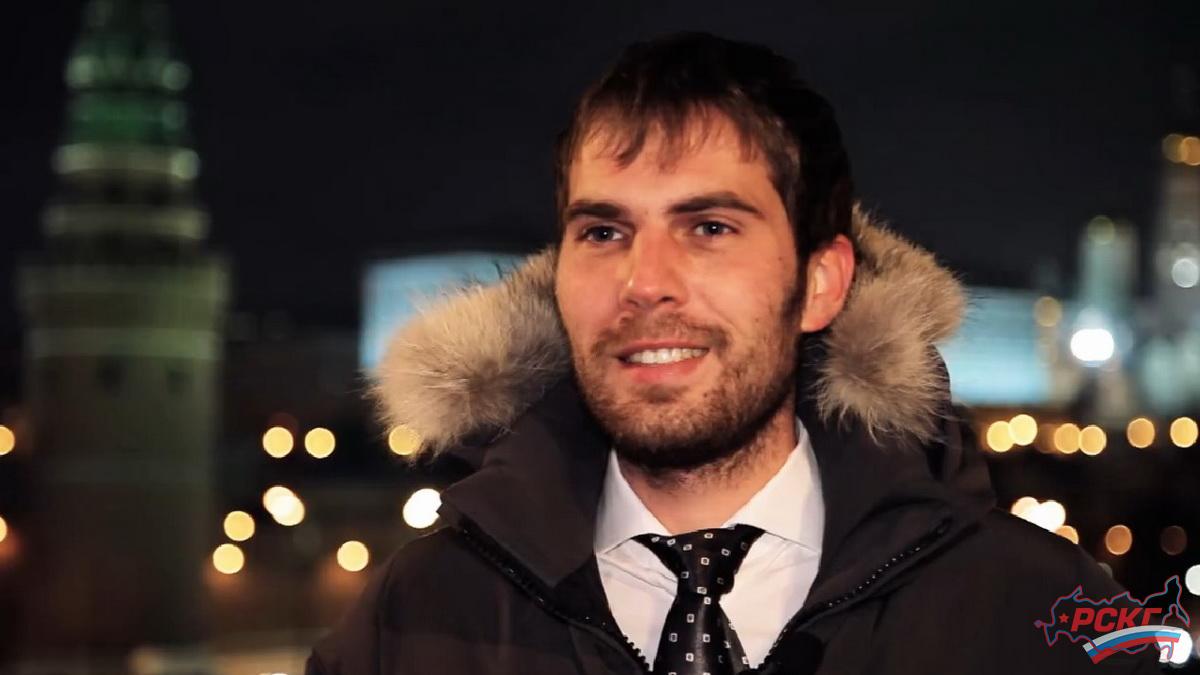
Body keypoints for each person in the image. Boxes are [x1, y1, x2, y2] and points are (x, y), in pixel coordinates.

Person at [306, 32, 1162, 674]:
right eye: (603, 231)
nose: (645, 283)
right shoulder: (411, 619)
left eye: (709, 227)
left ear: (821, 283)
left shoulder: (1035, 616)